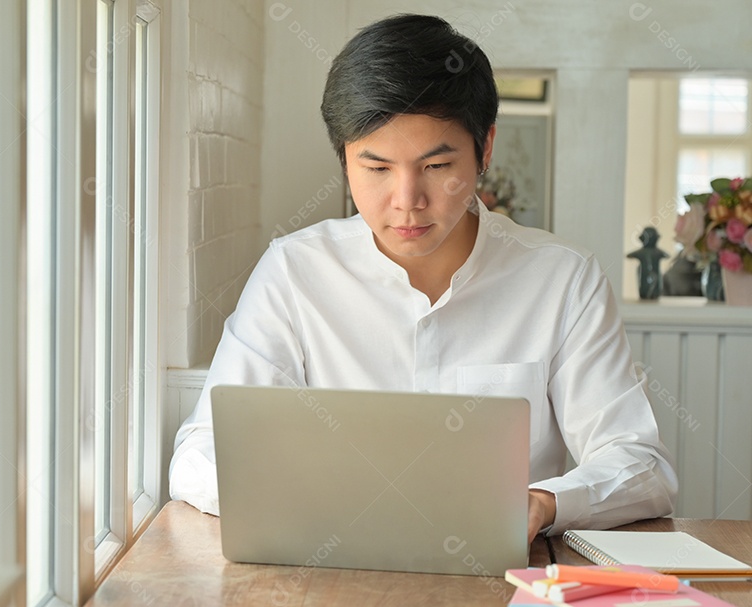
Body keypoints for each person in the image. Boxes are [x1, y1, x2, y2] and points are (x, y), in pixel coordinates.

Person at [169, 14, 677, 542]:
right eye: (377, 167)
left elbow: (641, 465)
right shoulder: (294, 273)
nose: (407, 200)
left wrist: (544, 503)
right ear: (344, 161)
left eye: (436, 167)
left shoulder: (564, 280)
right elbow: (200, 454)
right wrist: (308, 501)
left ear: (485, 149)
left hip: (503, 576)